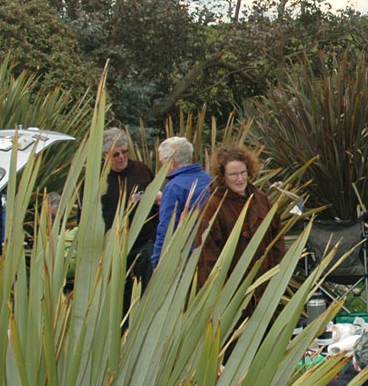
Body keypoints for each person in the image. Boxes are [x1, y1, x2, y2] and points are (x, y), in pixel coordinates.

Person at [195, 144, 284, 287]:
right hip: (232, 288)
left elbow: (277, 238)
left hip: (265, 284)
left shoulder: (260, 199)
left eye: (243, 172)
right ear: (222, 176)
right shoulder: (213, 207)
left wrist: (276, 274)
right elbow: (207, 255)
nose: (240, 179)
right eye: (233, 174)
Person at [100, 127, 158, 299]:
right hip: (112, 247)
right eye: (116, 154)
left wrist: (153, 239)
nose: (122, 157)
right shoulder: (97, 179)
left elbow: (158, 203)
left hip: (143, 244)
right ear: (105, 156)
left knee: (146, 294)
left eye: (125, 152)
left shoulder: (141, 171)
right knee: (118, 297)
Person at [151, 137, 212, 267]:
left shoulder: (174, 187)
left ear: (172, 162)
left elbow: (167, 228)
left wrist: (157, 261)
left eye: (162, 163)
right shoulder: (209, 179)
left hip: (185, 258)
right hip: (210, 252)